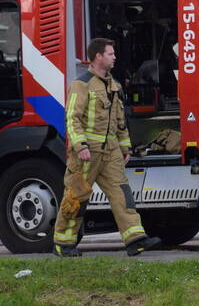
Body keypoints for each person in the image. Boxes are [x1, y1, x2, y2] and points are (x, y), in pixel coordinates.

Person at [52, 38, 162, 258]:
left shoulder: (114, 85)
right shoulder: (81, 84)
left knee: (122, 194)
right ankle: (63, 242)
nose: (114, 57)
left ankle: (135, 240)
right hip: (87, 153)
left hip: (110, 152)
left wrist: (125, 148)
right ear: (98, 57)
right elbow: (72, 118)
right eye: (110, 54)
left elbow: (120, 121)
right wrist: (80, 145)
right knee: (76, 196)